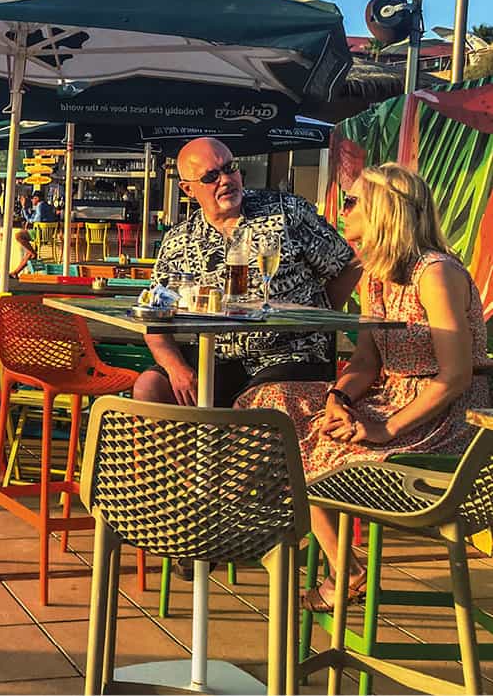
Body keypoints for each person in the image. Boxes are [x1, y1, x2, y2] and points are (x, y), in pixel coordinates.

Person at [237, 164, 490, 611]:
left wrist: (386, 428)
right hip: (389, 397)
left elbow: (455, 377)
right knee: (273, 406)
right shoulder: (376, 273)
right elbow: (366, 360)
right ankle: (338, 564)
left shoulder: (435, 273)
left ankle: (337, 568)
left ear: (384, 211)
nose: (341, 208)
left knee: (311, 447)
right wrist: (339, 398)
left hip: (444, 415)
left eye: (351, 201)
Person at [134, 137, 361, 409]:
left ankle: (237, 450)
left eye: (230, 168)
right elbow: (154, 316)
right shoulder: (178, 241)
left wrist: (315, 316)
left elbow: (349, 264)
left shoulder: (286, 213)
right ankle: (178, 453)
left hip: (291, 355)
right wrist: (176, 368)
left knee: (254, 403)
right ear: (188, 189)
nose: (226, 180)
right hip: (215, 357)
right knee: (150, 387)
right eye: (211, 176)